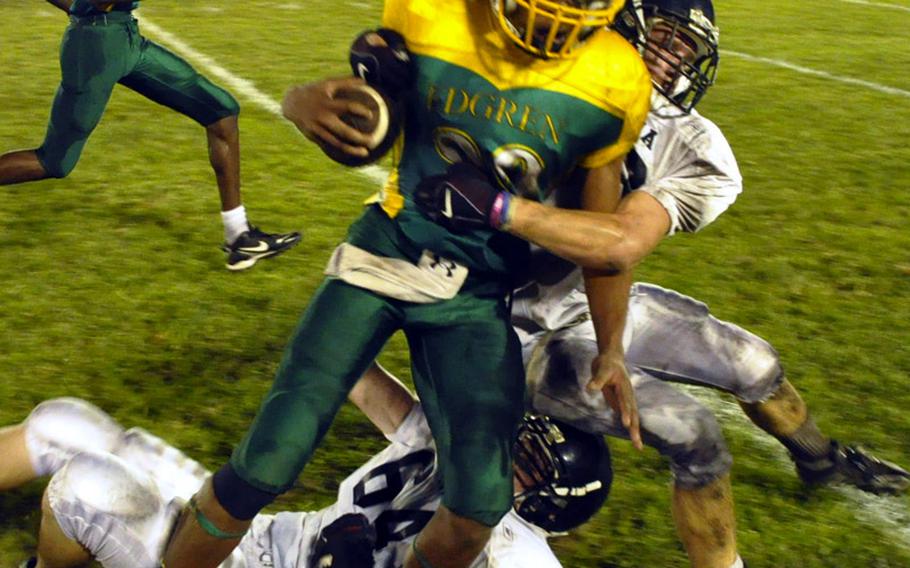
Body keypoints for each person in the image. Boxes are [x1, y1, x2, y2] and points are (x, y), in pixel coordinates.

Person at [162, 1, 653, 567]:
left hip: (475, 296)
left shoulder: (618, 77)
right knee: (265, 464)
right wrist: (305, 101)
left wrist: (612, 348)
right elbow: (359, 119)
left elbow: (603, 238)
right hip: (383, 256)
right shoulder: (431, 10)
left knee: (479, 506)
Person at [510, 1, 910, 567]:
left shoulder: (696, 147)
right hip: (506, 324)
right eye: (667, 37)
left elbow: (620, 242)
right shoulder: (540, 92)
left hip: (589, 299)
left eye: (687, 49)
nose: (674, 59)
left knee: (753, 362)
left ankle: (820, 460)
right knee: (695, 434)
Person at [0, 366, 613, 568]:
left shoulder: (519, 555)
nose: (503, 449)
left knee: (83, 488)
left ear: (547, 503)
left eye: (526, 459)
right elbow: (350, 370)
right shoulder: (447, 444)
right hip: (254, 540)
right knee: (65, 425)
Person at [0, 0, 300, 270]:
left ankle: (239, 236)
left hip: (126, 39)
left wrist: (78, 7)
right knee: (54, 162)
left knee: (221, 112)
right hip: (95, 50)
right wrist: (84, 10)